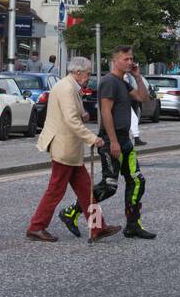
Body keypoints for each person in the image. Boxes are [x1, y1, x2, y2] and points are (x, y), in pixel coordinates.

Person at [28, 57, 121, 242]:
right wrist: (93, 139)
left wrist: (83, 114)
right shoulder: (66, 88)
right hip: (64, 147)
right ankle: (36, 227)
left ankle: (97, 227)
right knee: (55, 190)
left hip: (70, 149)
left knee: (86, 190)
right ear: (77, 72)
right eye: (87, 73)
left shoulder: (70, 87)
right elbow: (71, 121)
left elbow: (72, 115)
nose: (88, 77)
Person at [95, 45, 156, 239]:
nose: (130, 62)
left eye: (131, 59)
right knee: (109, 186)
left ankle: (132, 225)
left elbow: (144, 99)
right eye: (125, 59)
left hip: (126, 139)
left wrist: (138, 77)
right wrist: (112, 141)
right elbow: (105, 112)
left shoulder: (123, 81)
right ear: (115, 61)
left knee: (137, 181)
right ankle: (72, 211)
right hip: (111, 140)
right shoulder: (109, 82)